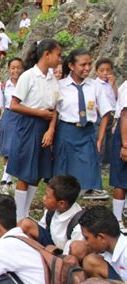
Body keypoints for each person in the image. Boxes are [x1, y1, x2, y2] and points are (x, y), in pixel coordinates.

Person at [7, 39, 61, 221]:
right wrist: (38, 113)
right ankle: (18, 215)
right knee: (25, 172)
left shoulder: (52, 79)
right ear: (47, 54)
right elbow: (14, 105)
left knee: (37, 172)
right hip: (29, 126)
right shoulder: (28, 76)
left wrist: (51, 129)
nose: (59, 59)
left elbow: (55, 109)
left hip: (45, 127)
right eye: (57, 55)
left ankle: (26, 211)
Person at [54, 48, 112, 201]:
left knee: (86, 176)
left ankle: (76, 205)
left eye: (89, 64)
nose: (87, 68)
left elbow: (106, 113)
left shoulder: (95, 86)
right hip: (66, 132)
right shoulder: (60, 86)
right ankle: (56, 211)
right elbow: (54, 112)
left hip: (87, 133)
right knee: (63, 176)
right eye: (83, 65)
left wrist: (99, 140)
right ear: (72, 66)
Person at [19, 175, 84, 254]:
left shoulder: (78, 225)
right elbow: (42, 228)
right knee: (25, 224)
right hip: (51, 244)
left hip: (64, 255)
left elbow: (71, 255)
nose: (44, 198)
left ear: (61, 203)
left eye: (47, 196)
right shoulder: (52, 210)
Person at [0, 57, 24, 194]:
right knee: (7, 151)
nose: (16, 70)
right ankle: (7, 181)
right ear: (8, 69)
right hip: (8, 118)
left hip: (23, 118)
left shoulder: (26, 85)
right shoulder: (4, 86)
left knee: (16, 150)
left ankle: (5, 180)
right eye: (13, 68)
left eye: (18, 67)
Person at [79, 206, 126, 282]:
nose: (86, 243)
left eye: (87, 238)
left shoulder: (125, 255)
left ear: (101, 237)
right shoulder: (108, 249)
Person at [111, 79, 127, 231]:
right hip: (125, 136)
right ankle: (117, 218)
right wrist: (125, 144)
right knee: (121, 179)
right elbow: (125, 116)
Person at [95, 58, 117, 167]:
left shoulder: (110, 83)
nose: (105, 73)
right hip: (101, 114)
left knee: (110, 138)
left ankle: (107, 162)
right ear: (96, 72)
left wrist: (113, 85)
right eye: (102, 70)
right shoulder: (96, 84)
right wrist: (100, 110)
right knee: (101, 138)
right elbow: (93, 101)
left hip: (112, 114)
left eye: (108, 70)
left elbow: (116, 98)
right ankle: (99, 161)